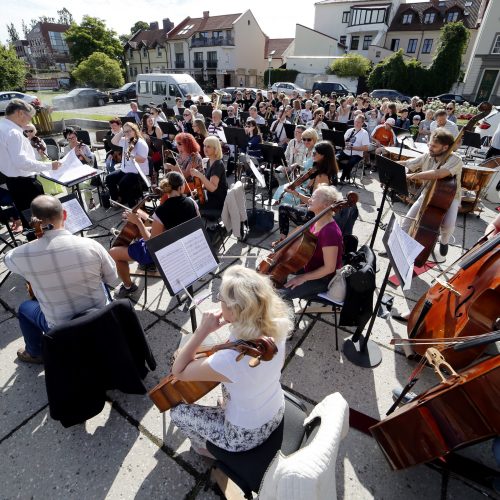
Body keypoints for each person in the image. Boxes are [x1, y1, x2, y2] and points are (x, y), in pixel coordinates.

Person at [170, 265, 292, 455]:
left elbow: (178, 371)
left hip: (244, 435)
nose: (219, 303)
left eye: (221, 299)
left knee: (177, 413)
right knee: (230, 384)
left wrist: (202, 331)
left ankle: (205, 450)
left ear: (235, 312)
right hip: (276, 410)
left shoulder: (229, 360)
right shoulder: (279, 325)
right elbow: (279, 364)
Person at [4, 195, 117, 363]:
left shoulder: (22, 255)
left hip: (61, 327)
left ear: (32, 221)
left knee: (26, 308)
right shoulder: (91, 245)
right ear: (64, 215)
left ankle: (35, 352)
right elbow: (112, 279)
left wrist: (36, 240)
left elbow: (7, 258)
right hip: (99, 316)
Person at [109, 172, 199, 298]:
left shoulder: (161, 211)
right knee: (141, 231)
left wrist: (138, 222)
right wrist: (147, 225)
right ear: (180, 187)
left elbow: (153, 244)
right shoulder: (192, 203)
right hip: (185, 247)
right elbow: (194, 226)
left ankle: (129, 286)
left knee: (113, 252)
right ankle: (143, 263)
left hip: (164, 253)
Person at [0, 99, 61, 231]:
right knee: (38, 222)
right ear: (20, 113)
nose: (30, 121)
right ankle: (44, 247)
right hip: (25, 184)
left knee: (28, 221)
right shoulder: (13, 132)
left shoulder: (2, 127)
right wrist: (49, 165)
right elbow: (21, 162)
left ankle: (34, 245)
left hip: (12, 182)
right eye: (29, 117)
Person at [400, 129, 462, 257]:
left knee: (448, 224)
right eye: (429, 145)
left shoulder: (456, 160)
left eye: (434, 146)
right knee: (407, 220)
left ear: (445, 147)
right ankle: (398, 247)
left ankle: (444, 241)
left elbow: (438, 174)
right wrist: (391, 165)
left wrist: (411, 176)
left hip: (450, 197)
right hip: (427, 193)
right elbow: (409, 163)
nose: (430, 148)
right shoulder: (428, 155)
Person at [280, 185, 343, 300]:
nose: (309, 199)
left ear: (325, 205)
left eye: (313, 197)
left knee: (280, 295)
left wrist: (303, 277)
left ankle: (285, 315)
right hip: (309, 265)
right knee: (277, 271)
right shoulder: (317, 220)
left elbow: (329, 268)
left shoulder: (330, 232)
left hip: (322, 279)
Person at [276, 141, 339, 244]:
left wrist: (295, 193)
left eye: (315, 153)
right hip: (321, 211)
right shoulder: (330, 171)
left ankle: (282, 241)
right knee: (297, 205)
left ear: (323, 156)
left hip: (315, 215)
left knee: (283, 208)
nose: (312, 155)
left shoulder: (321, 176)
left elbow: (312, 201)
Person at [107, 122, 149, 207]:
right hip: (125, 170)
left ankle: (131, 204)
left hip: (136, 172)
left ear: (134, 130)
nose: (127, 133)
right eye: (126, 131)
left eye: (129, 131)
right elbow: (113, 141)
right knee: (109, 178)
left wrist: (132, 155)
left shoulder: (141, 143)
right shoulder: (126, 140)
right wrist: (122, 131)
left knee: (124, 183)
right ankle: (117, 200)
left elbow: (143, 159)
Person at [191, 136, 228, 213]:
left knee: (189, 207)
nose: (205, 148)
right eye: (204, 146)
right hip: (209, 197)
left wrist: (199, 175)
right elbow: (207, 181)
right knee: (189, 202)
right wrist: (198, 190)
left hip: (217, 202)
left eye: (208, 146)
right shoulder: (209, 161)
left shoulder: (217, 164)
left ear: (215, 149)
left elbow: (212, 188)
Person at [337, 115, 370, 183]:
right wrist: (344, 144)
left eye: (359, 122)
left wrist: (353, 148)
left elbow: (366, 148)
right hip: (346, 151)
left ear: (362, 123)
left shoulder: (364, 133)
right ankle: (335, 176)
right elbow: (343, 141)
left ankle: (342, 178)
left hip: (357, 154)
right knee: (334, 159)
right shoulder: (349, 130)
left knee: (350, 163)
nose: (356, 123)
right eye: (355, 121)